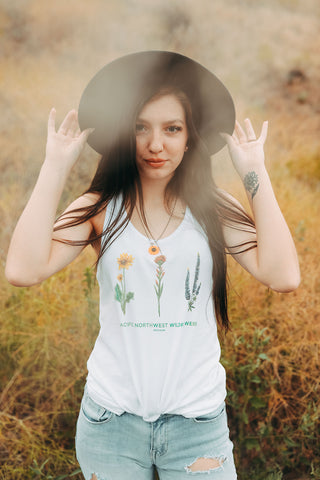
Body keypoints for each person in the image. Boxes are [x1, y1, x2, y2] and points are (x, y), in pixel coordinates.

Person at [5, 51, 300, 480]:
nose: (155, 144)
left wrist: (255, 173)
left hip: (197, 426)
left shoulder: (213, 209)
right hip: (111, 425)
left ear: (189, 137)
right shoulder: (102, 208)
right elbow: (22, 270)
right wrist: (55, 164)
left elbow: (284, 276)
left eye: (172, 129)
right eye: (141, 127)